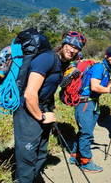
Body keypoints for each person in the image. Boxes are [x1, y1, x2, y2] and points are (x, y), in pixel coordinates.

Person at [13, 31, 86, 183]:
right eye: (70, 45)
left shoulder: (61, 63)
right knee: (28, 154)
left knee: (41, 152)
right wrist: (41, 116)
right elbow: (30, 94)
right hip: (28, 109)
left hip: (43, 108)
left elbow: (47, 88)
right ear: (63, 44)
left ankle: (34, 179)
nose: (72, 50)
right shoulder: (47, 58)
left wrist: (48, 109)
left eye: (77, 48)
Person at [69, 46, 111, 172]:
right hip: (85, 103)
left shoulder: (108, 70)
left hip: (93, 103)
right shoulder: (99, 67)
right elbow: (95, 87)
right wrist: (110, 89)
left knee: (84, 131)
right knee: (86, 133)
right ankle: (85, 162)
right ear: (106, 56)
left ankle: (75, 155)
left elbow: (105, 84)